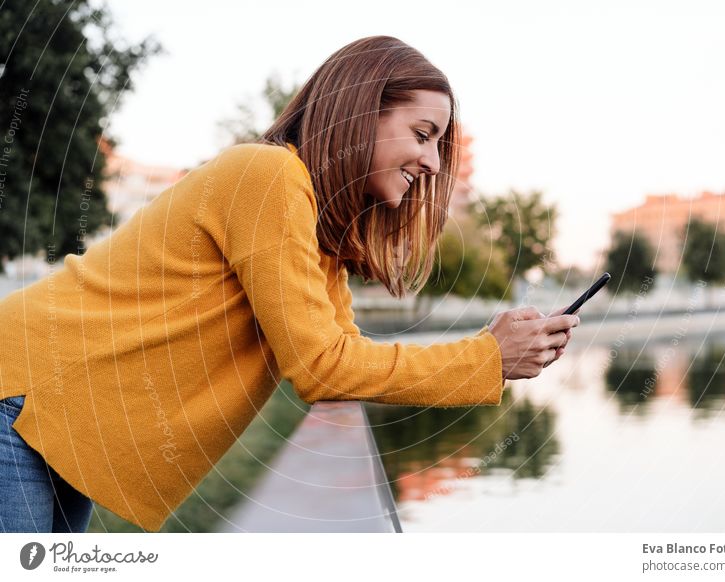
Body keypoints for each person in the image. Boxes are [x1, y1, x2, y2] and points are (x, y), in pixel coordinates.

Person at [0, 35, 579, 533]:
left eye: (438, 143)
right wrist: (487, 357)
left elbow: (344, 361)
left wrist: (488, 352)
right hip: (26, 388)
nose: (431, 160)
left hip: (62, 417)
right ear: (359, 111)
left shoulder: (318, 232)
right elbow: (322, 368)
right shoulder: (268, 176)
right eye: (422, 133)